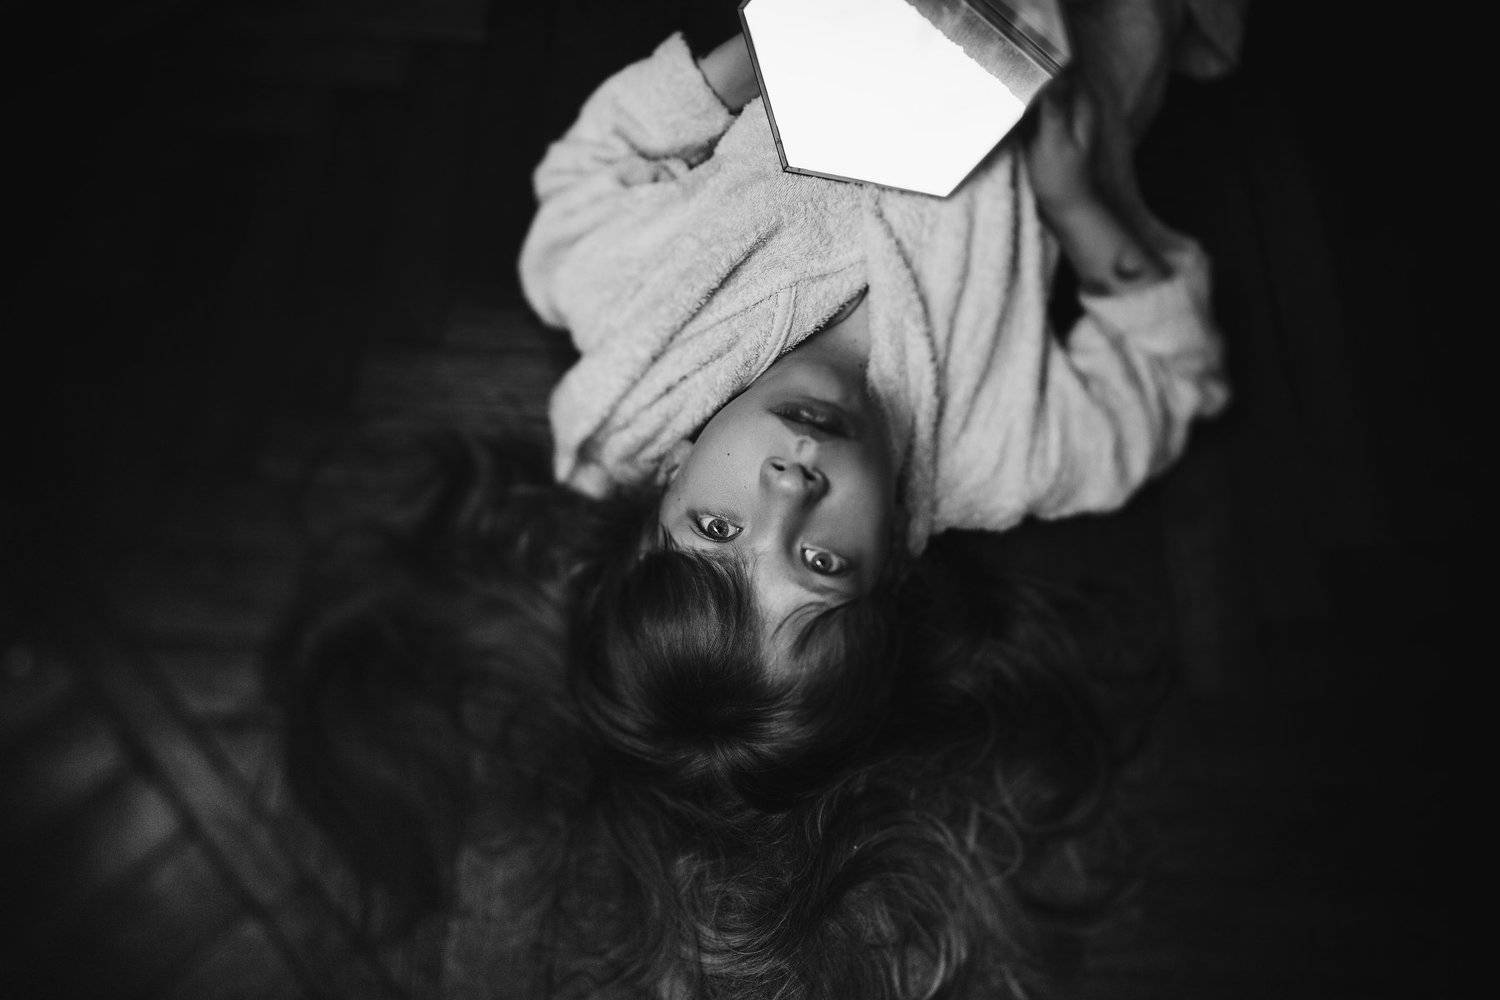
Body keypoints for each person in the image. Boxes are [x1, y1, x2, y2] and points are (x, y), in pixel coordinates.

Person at [268, 2, 1246, 997]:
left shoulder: (638, 325)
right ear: (891, 576)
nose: (789, 488)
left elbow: (588, 172)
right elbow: (1170, 377)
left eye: (717, 528)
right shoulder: (1001, 452)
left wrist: (760, 57)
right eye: (820, 563)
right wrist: (1085, 206)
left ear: (661, 495)